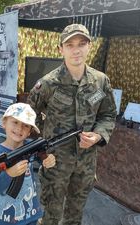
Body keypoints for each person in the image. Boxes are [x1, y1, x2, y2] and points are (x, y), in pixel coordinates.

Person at [27, 24, 117, 225]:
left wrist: (98, 136)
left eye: (81, 44)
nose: (76, 50)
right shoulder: (48, 83)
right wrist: (43, 151)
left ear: (89, 46)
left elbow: (108, 114)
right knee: (51, 214)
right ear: (61, 49)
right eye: (70, 45)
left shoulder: (101, 81)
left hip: (86, 163)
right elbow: (28, 118)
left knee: (75, 215)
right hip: (55, 162)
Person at [0, 103, 56, 225]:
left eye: (25, 125)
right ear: (4, 123)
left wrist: (48, 159)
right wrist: (8, 174)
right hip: (7, 219)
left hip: (31, 214)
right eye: (15, 122)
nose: (19, 128)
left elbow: (41, 156)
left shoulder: (31, 146)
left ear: (29, 132)